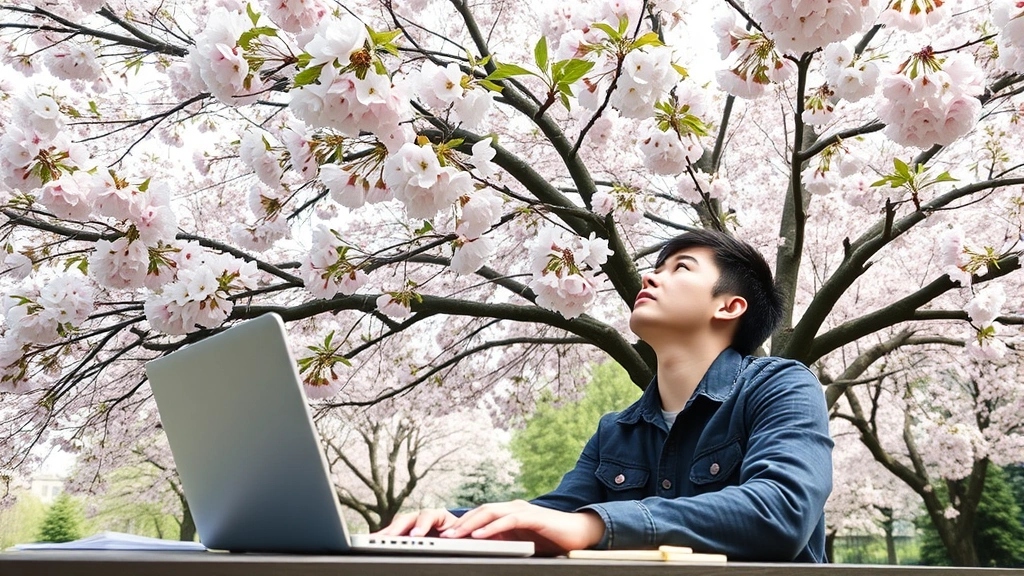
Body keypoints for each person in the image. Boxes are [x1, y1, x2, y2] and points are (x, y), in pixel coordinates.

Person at [378, 229, 833, 561]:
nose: (650, 278)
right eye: (655, 268)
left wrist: (595, 524)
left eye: (680, 269)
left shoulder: (781, 385)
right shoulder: (617, 431)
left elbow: (781, 510)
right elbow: (552, 514)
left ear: (729, 306)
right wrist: (447, 525)